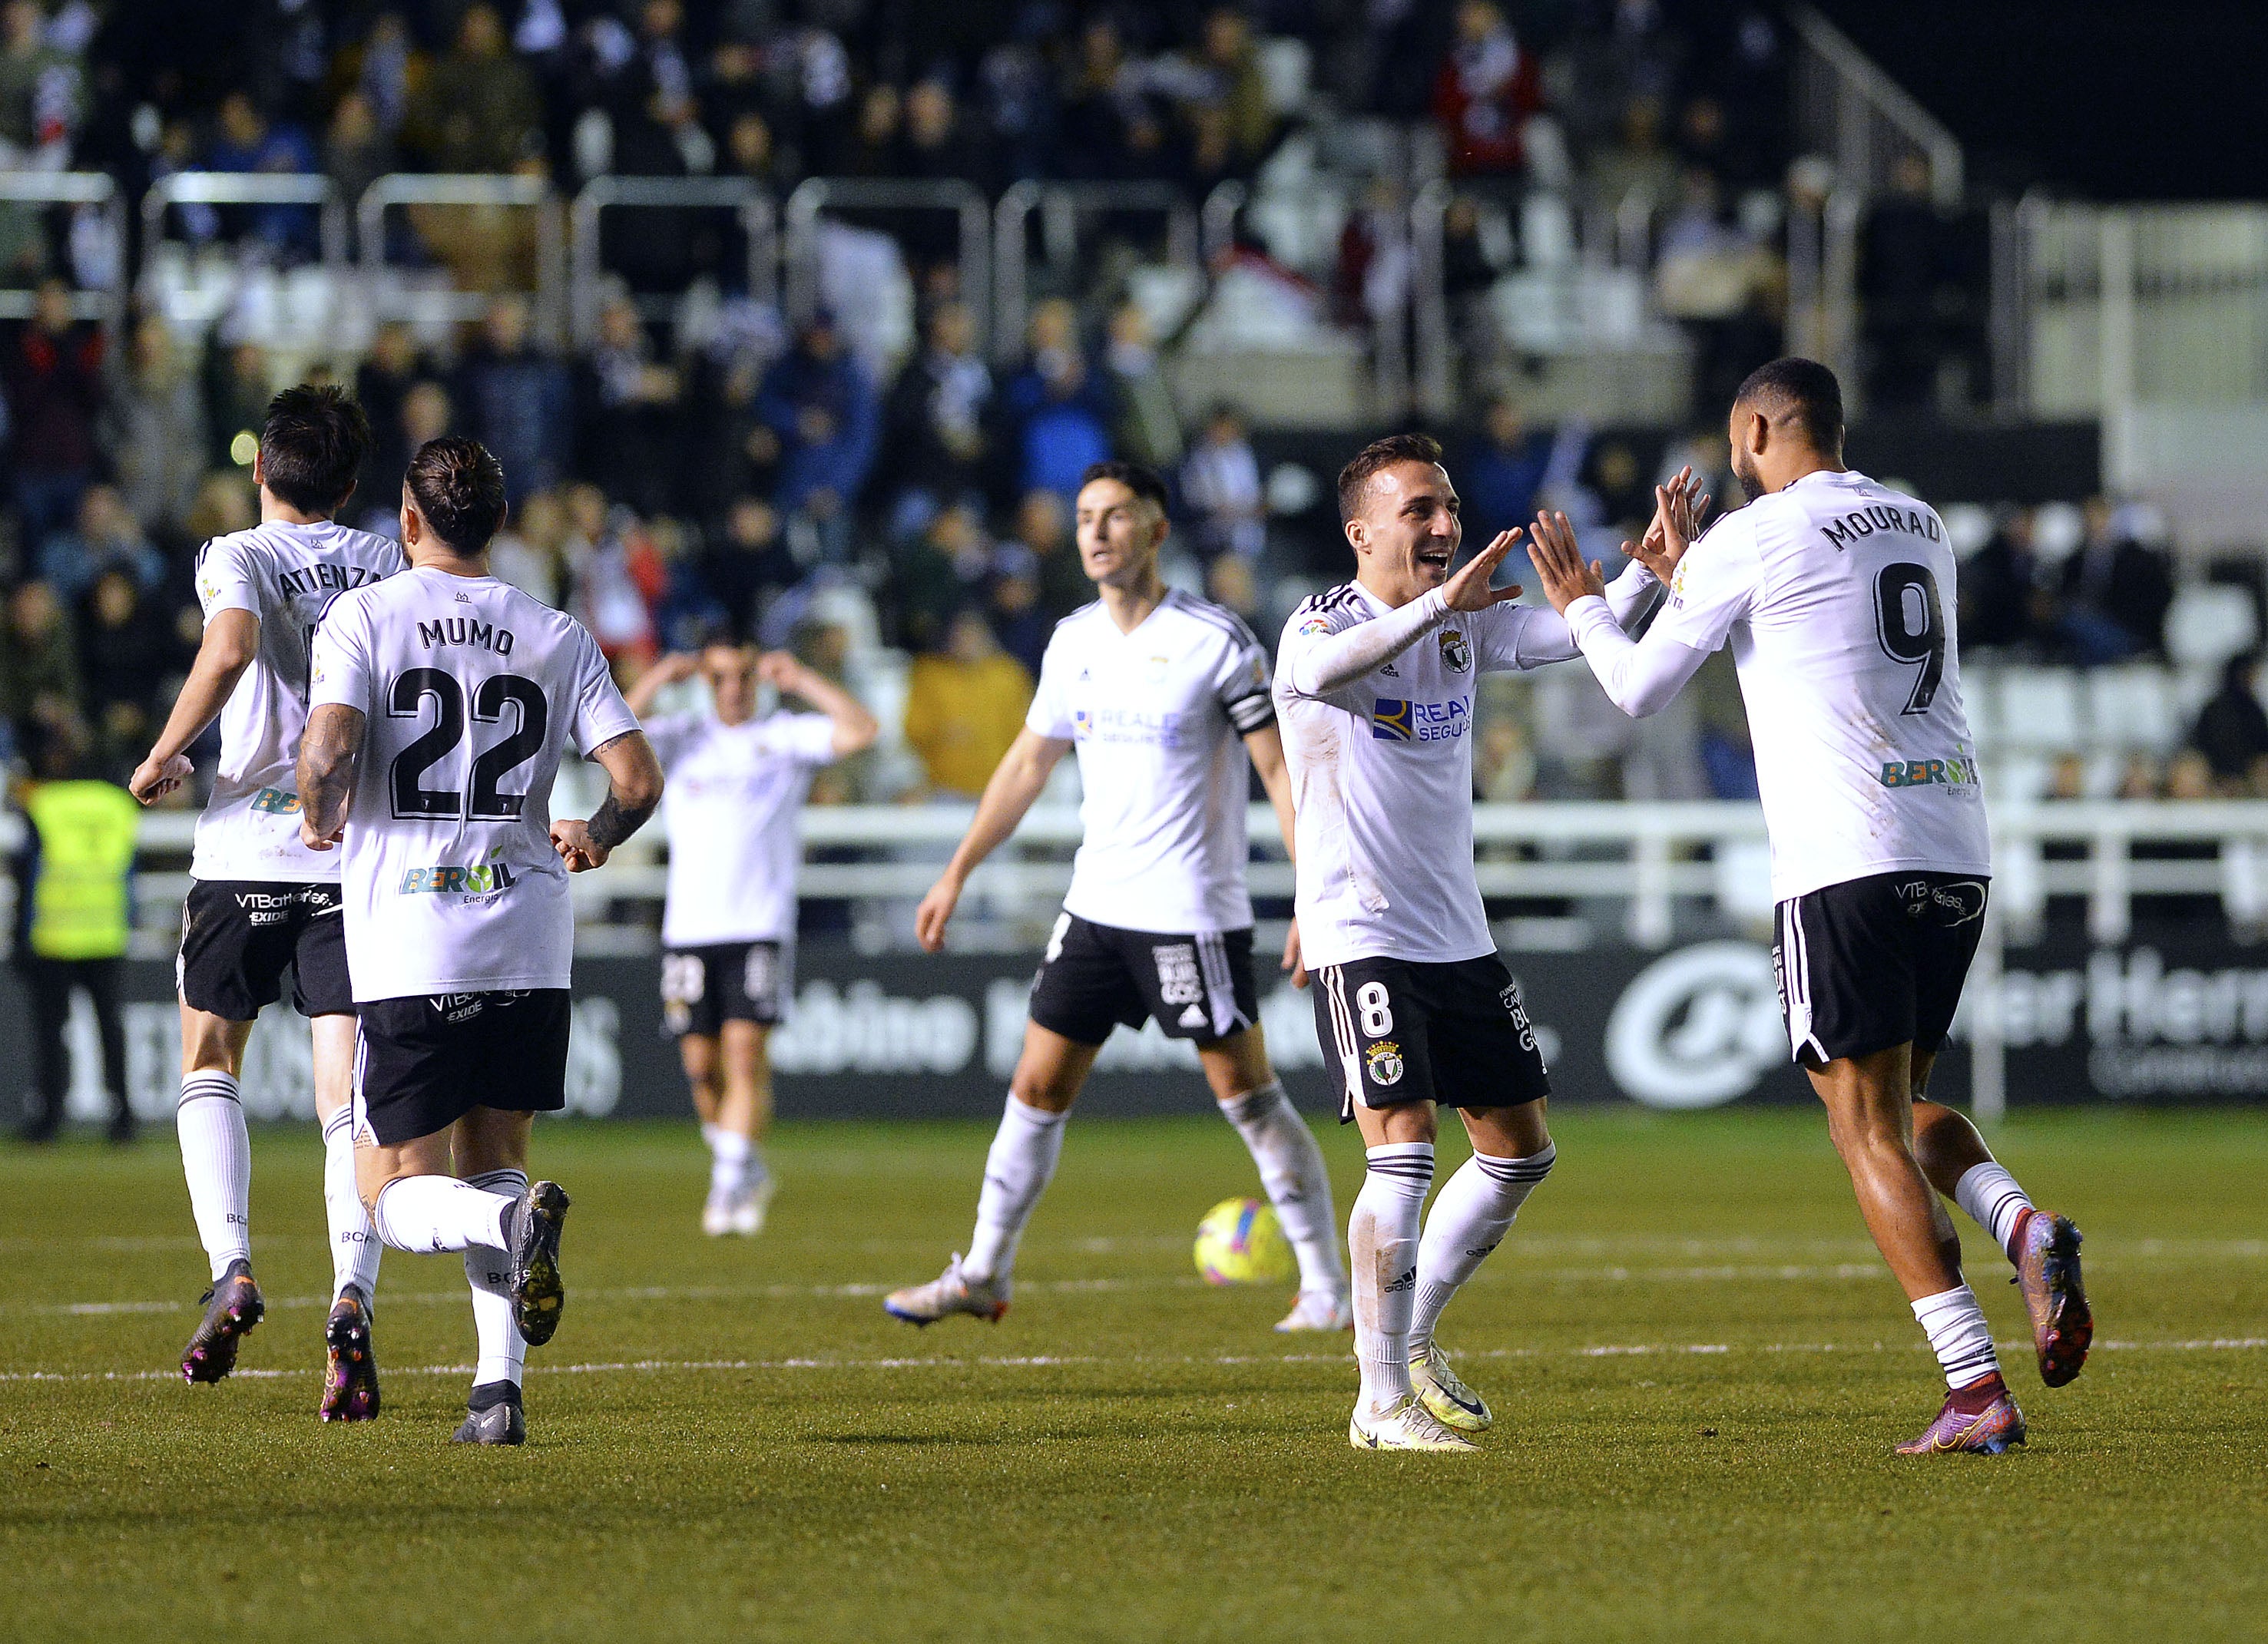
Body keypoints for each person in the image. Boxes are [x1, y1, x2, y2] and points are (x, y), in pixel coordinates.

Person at [1525, 357, 2093, 1456]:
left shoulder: (1753, 534)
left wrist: (1584, 603)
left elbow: (1636, 689)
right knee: (1900, 1100)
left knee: (1858, 1125)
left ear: (1753, 429)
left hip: (1846, 857)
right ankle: (2024, 1224)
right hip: (1954, 848)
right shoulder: (1917, 519)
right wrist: (1701, 570)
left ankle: (1974, 1389)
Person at [885, 461, 1353, 1335]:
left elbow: (1278, 769)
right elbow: (1027, 763)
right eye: (1084, 516)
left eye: (1115, 515)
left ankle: (1326, 1285)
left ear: (1156, 529)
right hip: (1095, 907)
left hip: (1190, 913)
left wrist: (1314, 893)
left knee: (1246, 1093)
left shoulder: (1218, 640)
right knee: (1034, 1084)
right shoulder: (1071, 642)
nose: (1096, 531)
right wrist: (957, 868)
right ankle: (983, 1270)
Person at [1273, 432, 1667, 1451]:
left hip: (1454, 933)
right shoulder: (1323, 620)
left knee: (1518, 1152)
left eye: (1447, 505)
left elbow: (1572, 637)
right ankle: (1375, 1401)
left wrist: (1648, 575)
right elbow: (1318, 675)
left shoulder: (1464, 628)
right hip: (1360, 927)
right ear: (1362, 531)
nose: (1445, 525)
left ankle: (1412, 1340)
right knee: (1401, 1155)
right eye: (1420, 510)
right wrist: (1438, 608)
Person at [296, 436, 663, 1446]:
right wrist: (593, 831)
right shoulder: (556, 633)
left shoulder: (363, 614)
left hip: (415, 934)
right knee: (499, 1155)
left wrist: (318, 806)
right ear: (499, 525)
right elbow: (636, 782)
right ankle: (496, 1393)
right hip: (530, 932)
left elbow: (328, 746)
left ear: (407, 524)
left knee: (393, 1192)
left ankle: (507, 1228)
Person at [126, 385, 405, 1419]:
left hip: (245, 850)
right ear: (351, 480)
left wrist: (164, 751)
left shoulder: (235, 554)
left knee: (208, 1061)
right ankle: (352, 1294)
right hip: (353, 861)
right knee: (348, 1099)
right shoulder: (386, 562)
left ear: (261, 472)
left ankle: (233, 1266)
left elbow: (232, 646)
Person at [625, 640, 877, 1235]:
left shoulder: (783, 735)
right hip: (688, 928)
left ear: (759, 678)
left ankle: (727, 1181)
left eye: (742, 675)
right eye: (720, 677)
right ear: (705, 682)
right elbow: (606, 738)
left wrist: (803, 677)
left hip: (758, 925)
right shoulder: (682, 736)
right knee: (700, 1069)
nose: (734, 687)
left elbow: (861, 730)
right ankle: (742, 1165)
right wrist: (660, 674)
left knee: (743, 1054)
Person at [9, 725, 138, 1143]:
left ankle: (49, 1116)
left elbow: (28, 875)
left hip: (55, 934)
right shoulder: (117, 804)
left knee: (51, 1033)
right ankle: (123, 1115)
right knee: (111, 1030)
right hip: (106, 931)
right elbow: (129, 870)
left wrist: (19, 938)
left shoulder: (43, 803)